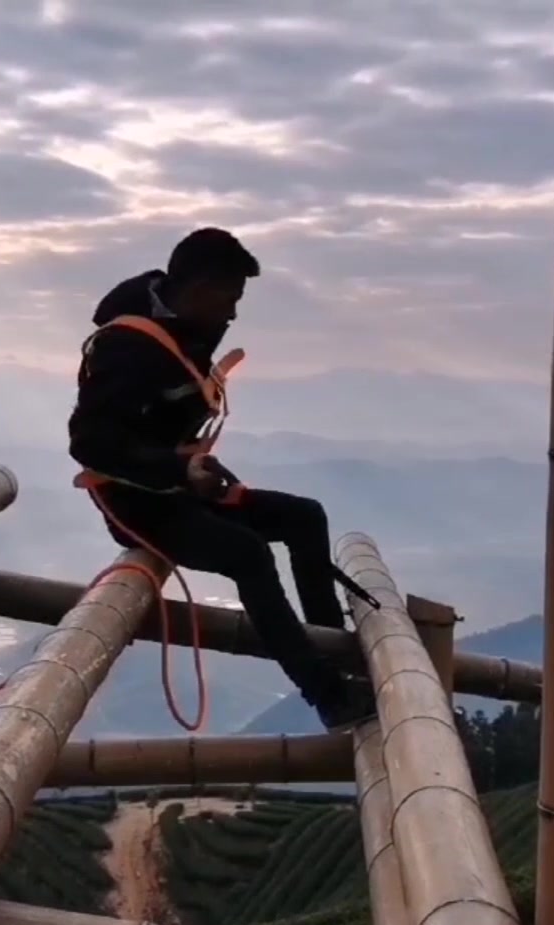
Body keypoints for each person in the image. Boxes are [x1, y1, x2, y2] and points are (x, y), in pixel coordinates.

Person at [67, 227, 376, 731]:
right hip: (136, 506)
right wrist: (177, 470)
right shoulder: (128, 345)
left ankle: (331, 652)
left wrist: (195, 470)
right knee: (248, 554)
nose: (232, 314)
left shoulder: (185, 329)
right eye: (230, 298)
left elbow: (164, 423)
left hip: (182, 491)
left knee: (304, 517)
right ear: (201, 288)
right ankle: (331, 698)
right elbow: (89, 442)